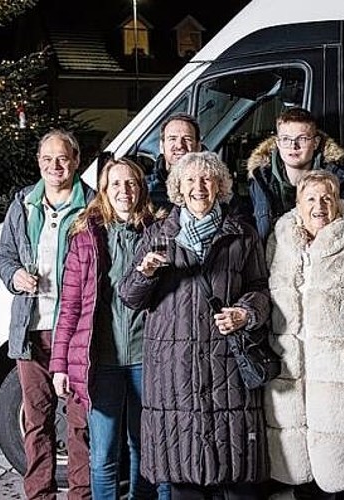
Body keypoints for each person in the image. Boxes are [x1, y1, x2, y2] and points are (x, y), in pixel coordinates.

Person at [119, 151, 271, 500]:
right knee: (184, 479)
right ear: (177, 187)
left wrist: (245, 314)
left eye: (207, 179)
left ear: (220, 186)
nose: (199, 187)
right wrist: (144, 273)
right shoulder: (158, 235)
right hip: (175, 376)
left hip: (228, 371)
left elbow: (261, 290)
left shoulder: (243, 235)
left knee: (237, 478)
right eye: (190, 179)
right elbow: (129, 296)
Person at [264, 171, 344, 500]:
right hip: (292, 378)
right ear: (297, 205)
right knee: (304, 478)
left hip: (340, 379)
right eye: (311, 199)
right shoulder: (280, 244)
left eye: (326, 198)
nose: (319, 206)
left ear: (336, 202)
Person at [49, 158, 162, 499]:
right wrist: (60, 364)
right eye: (115, 184)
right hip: (102, 362)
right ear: (104, 190)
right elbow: (69, 307)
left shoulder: (156, 232)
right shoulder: (86, 238)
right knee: (103, 456)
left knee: (144, 450)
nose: (123, 191)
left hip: (147, 359)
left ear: (140, 188)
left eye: (130, 183)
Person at [0, 129, 94, 500]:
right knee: (36, 421)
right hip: (31, 329)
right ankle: (39, 494)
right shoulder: (22, 204)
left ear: (76, 160)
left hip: (76, 332)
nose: (55, 166)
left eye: (62, 158)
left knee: (79, 423)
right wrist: (15, 276)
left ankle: (81, 494)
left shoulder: (93, 206)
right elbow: (4, 255)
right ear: (39, 163)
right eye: (47, 159)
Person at [248, 107, 344, 241]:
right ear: (277, 143)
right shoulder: (261, 181)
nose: (293, 146)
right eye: (285, 139)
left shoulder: (338, 180)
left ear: (315, 142)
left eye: (302, 139)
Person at [148, 113, 201, 211]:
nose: (180, 145)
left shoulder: (213, 187)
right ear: (161, 146)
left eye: (187, 139)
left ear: (198, 146)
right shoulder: (146, 189)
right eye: (172, 139)